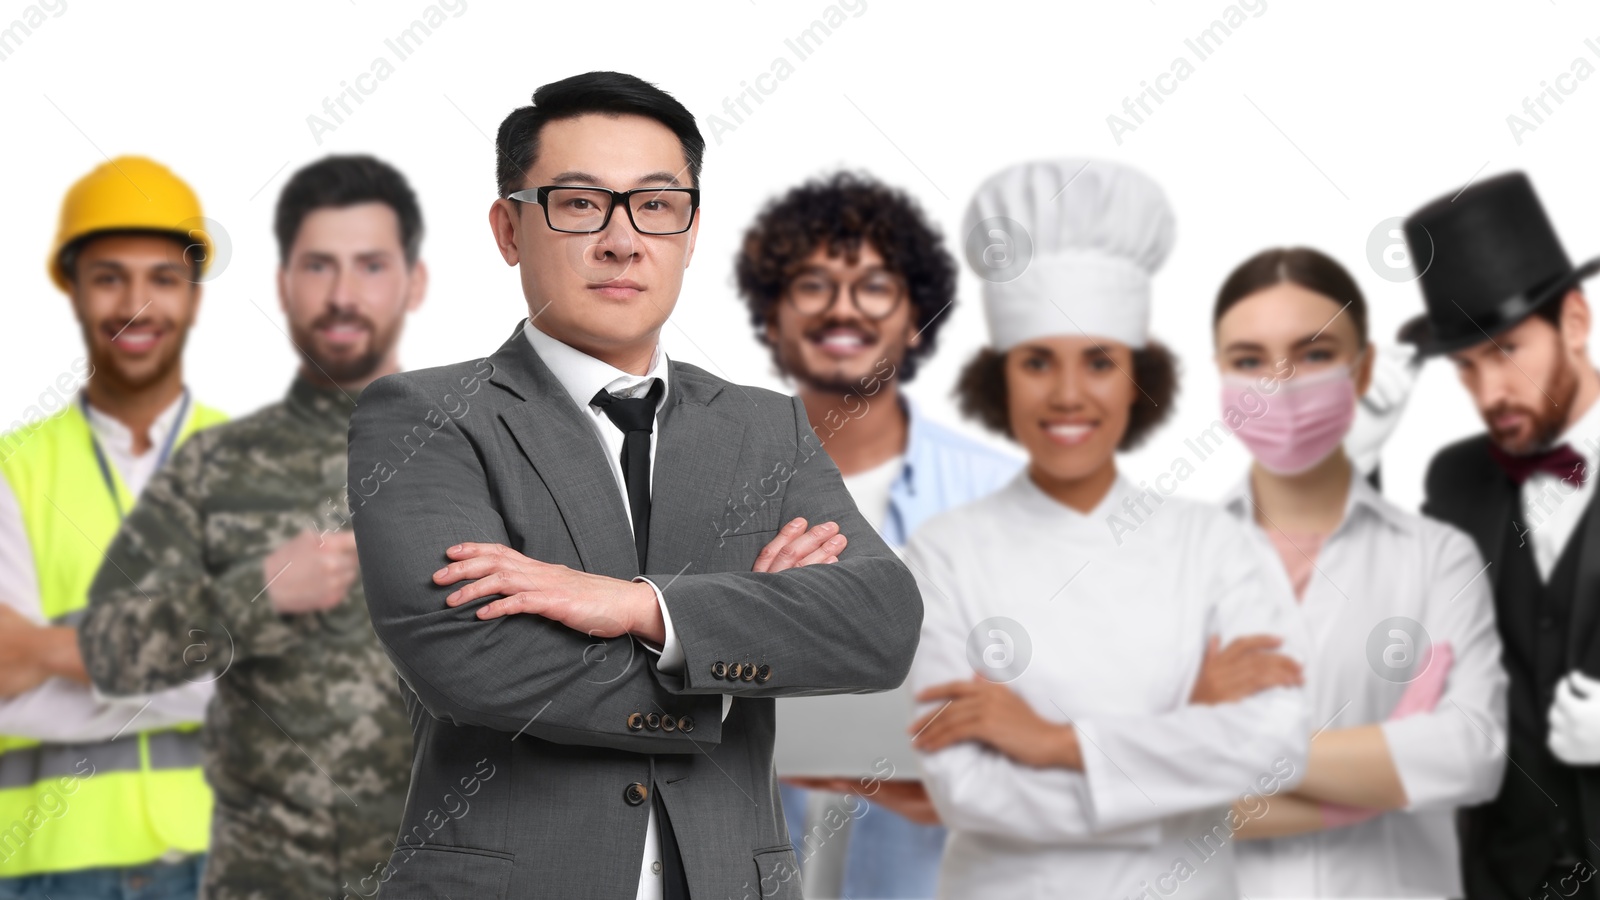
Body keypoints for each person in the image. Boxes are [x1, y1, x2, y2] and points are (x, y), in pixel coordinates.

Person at [347, 71, 923, 900]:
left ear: (690, 232)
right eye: (580, 203)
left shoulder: (766, 428)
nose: (623, 240)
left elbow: (879, 625)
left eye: (656, 205)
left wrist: (641, 608)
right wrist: (729, 655)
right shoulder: (428, 416)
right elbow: (471, 661)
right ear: (510, 228)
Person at [904, 158, 1309, 899]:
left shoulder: (1215, 544)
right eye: (1036, 362)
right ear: (1000, 377)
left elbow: (1276, 743)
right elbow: (964, 788)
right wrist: (1189, 732)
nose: (1067, 396)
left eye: (1099, 361)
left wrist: (1054, 742)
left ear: (1136, 374)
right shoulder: (944, 552)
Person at [79, 155, 425, 899]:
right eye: (317, 267)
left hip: (446, 878)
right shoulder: (215, 466)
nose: (341, 295)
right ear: (283, 286)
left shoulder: (485, 452)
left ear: (413, 282)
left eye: (369, 265)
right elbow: (108, 649)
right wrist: (255, 596)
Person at [735, 172, 1021, 899]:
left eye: (873, 286)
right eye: (811, 285)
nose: (842, 310)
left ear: (914, 316)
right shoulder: (709, 485)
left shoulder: (999, 492)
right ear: (771, 316)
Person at [1209, 246, 1508, 897]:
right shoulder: (1167, 561)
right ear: (1220, 375)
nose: (1280, 385)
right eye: (1249, 361)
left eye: (1314, 355)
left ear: (1365, 367)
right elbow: (1139, 791)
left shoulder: (1438, 556)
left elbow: (1469, 755)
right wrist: (1373, 782)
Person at [0, 156, 227, 899]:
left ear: (193, 294)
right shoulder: (12, 470)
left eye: (163, 277)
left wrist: (50, 649)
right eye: (109, 277)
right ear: (72, 287)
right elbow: (5, 676)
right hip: (47, 865)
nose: (137, 304)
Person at [1401, 171, 1600, 900]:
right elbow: (1381, 630)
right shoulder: (1456, 480)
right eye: (1466, 366)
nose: (1489, 395)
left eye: (1508, 350)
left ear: (1573, 323)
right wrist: (1353, 461)